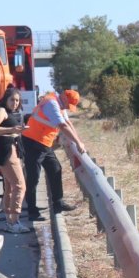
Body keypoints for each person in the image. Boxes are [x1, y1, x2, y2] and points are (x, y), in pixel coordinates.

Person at [21, 89, 86, 221]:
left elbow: (68, 123)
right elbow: (62, 125)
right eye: (68, 105)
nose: (68, 108)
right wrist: (77, 143)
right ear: (64, 97)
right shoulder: (52, 103)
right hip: (33, 142)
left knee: (55, 169)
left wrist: (79, 141)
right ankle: (32, 212)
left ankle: (58, 203)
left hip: (44, 143)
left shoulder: (60, 105)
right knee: (33, 177)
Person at [0, 88, 31, 234]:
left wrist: (16, 130)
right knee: (20, 186)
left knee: (10, 187)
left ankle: (9, 220)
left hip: (11, 148)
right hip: (6, 151)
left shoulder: (10, 112)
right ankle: (14, 221)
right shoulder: (2, 111)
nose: (15, 103)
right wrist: (12, 129)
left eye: (17, 100)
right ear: (6, 99)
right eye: (12, 99)